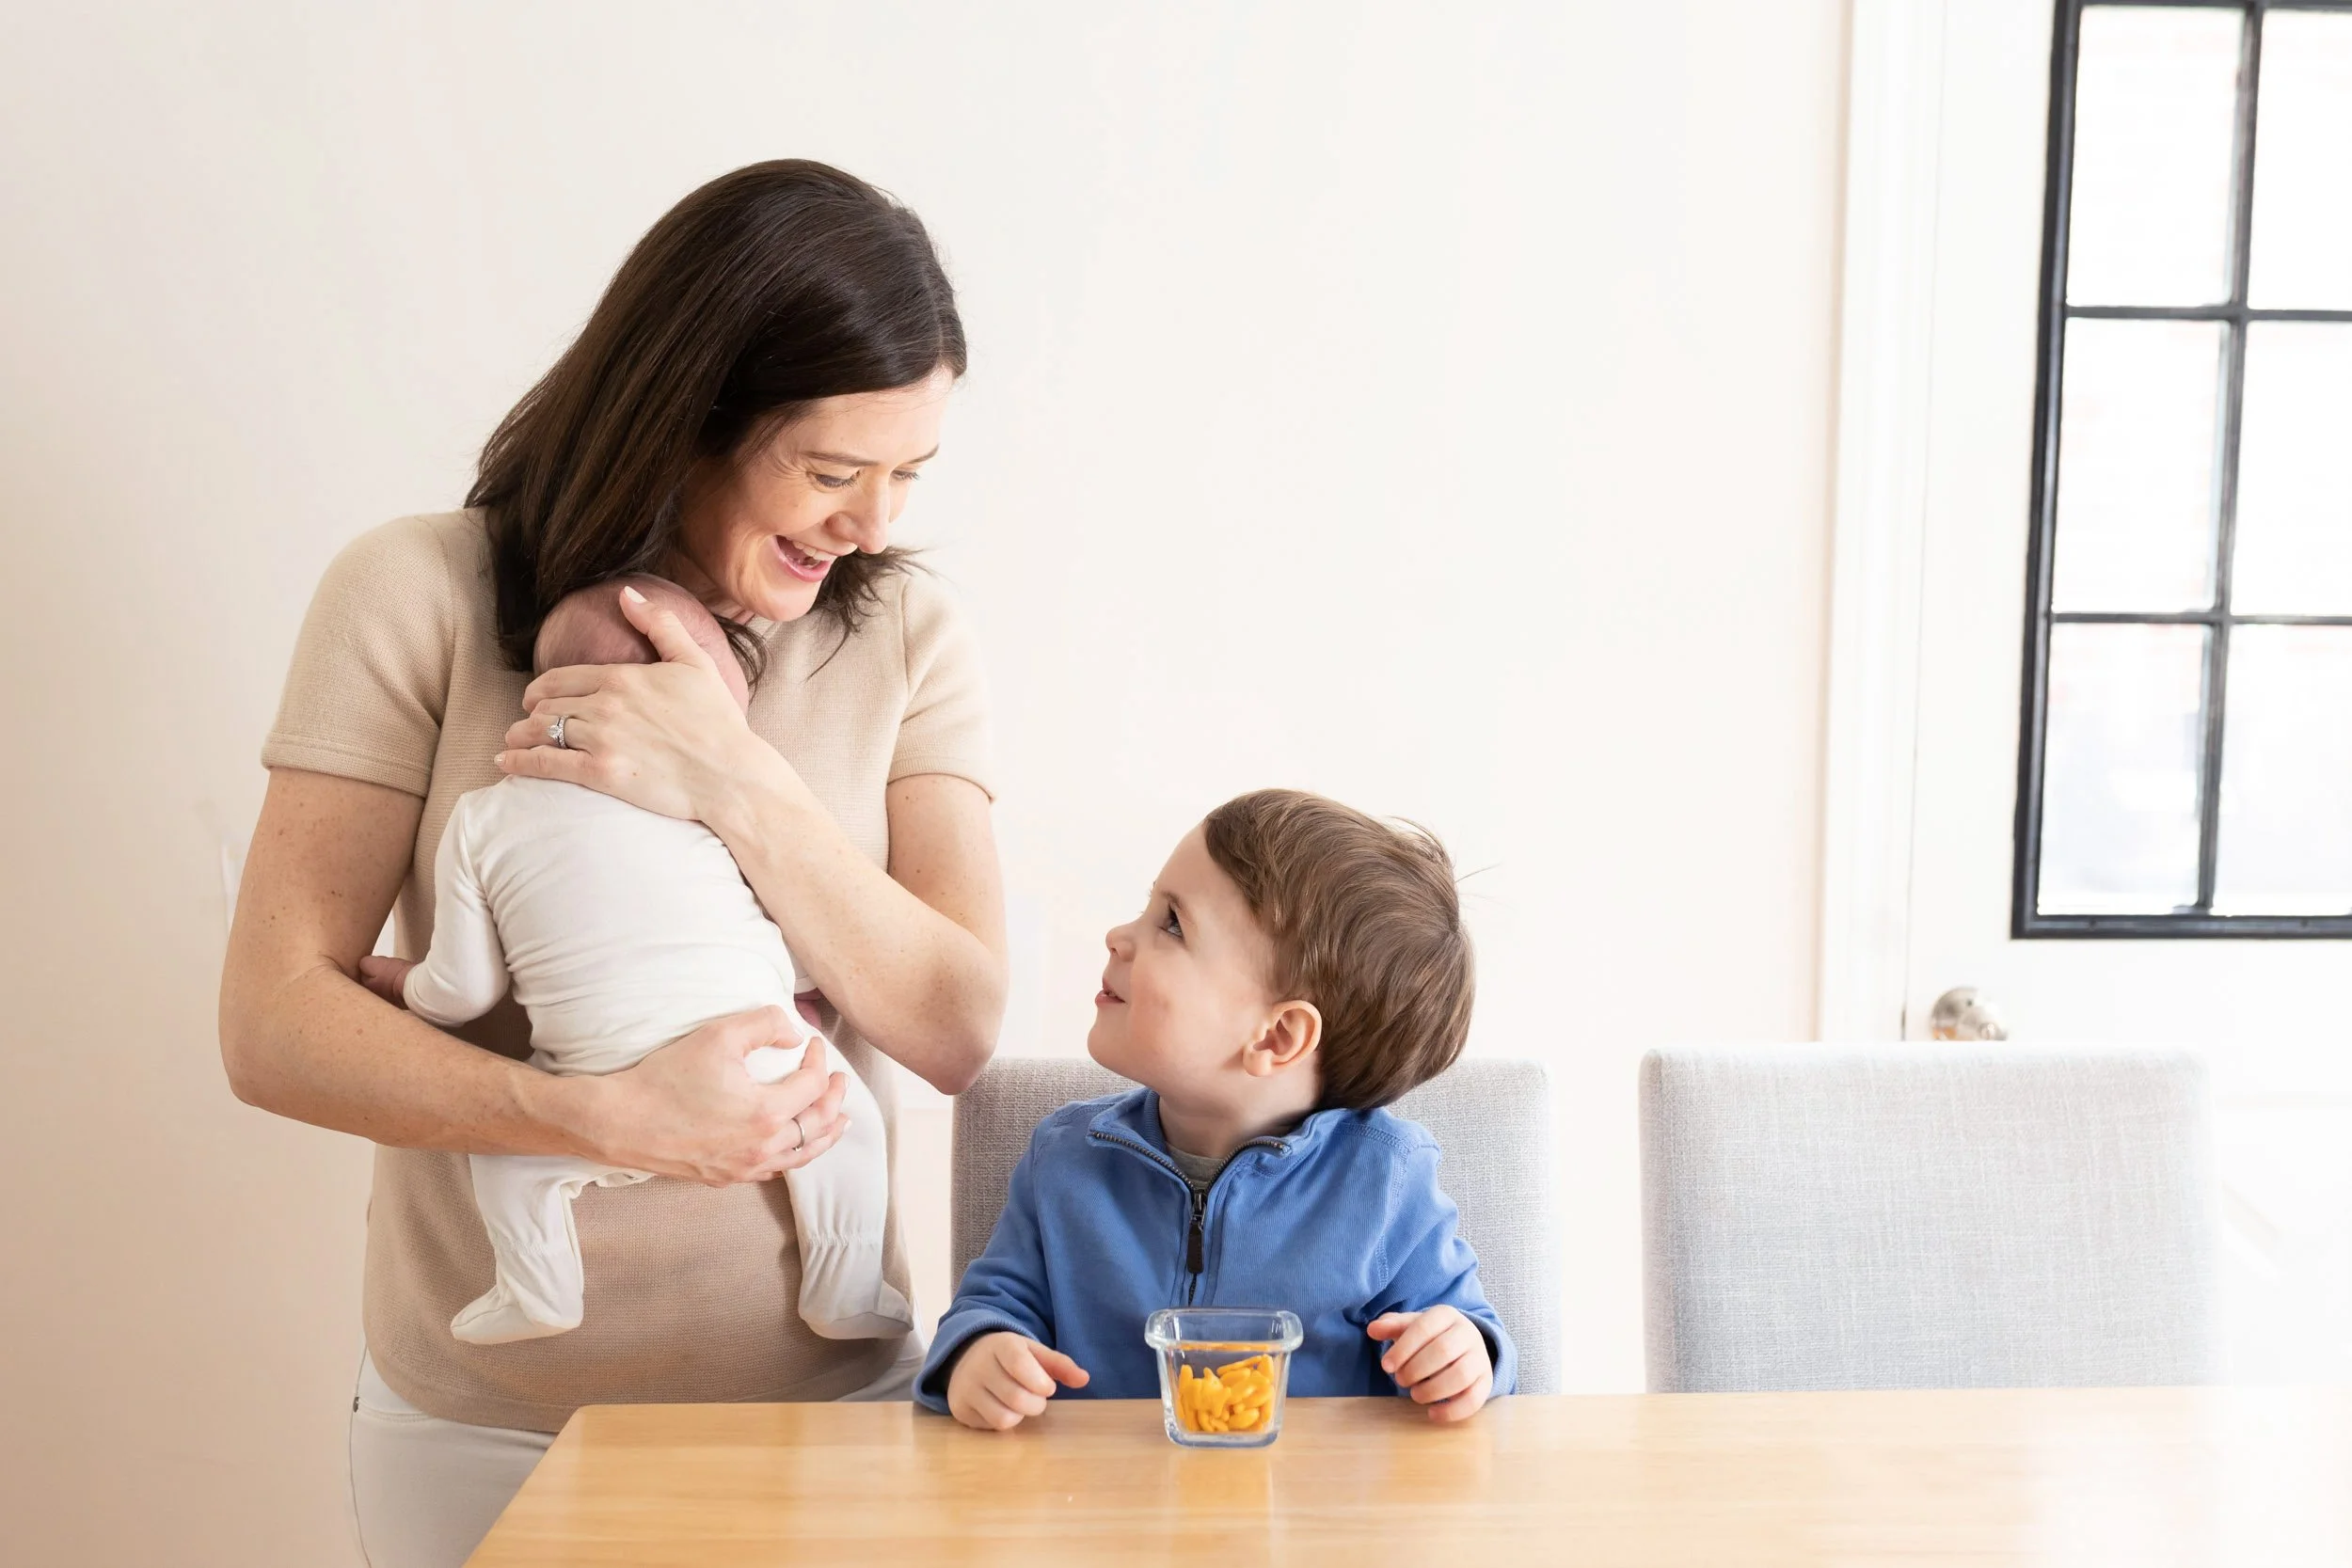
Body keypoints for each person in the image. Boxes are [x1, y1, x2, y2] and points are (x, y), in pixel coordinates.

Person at [218, 160, 1004, 1568]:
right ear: (686, 419)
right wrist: (601, 1121)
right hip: (486, 1425)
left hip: (833, 1417)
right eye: (833, 471)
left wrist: (732, 777)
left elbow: (954, 1022)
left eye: (906, 475)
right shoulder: (415, 594)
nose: (873, 522)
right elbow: (274, 1025)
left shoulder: (903, 634)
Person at [357, 575, 911, 1347]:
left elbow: (464, 990)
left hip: (584, 1079)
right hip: (761, 1058)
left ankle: (538, 1285)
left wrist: (405, 981)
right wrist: (795, 986)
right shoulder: (715, 806)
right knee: (845, 1124)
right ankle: (844, 1284)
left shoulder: (481, 817)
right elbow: (796, 935)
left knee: (507, 1152)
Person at [917, 789, 1515, 1431]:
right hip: (1100, 1508)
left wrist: (1464, 1351)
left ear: (1276, 1037)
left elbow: (1468, 1330)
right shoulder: (1065, 1158)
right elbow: (993, 1304)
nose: (1119, 936)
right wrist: (980, 1354)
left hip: (1312, 1518)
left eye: (1171, 922)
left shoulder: (1387, 1181)